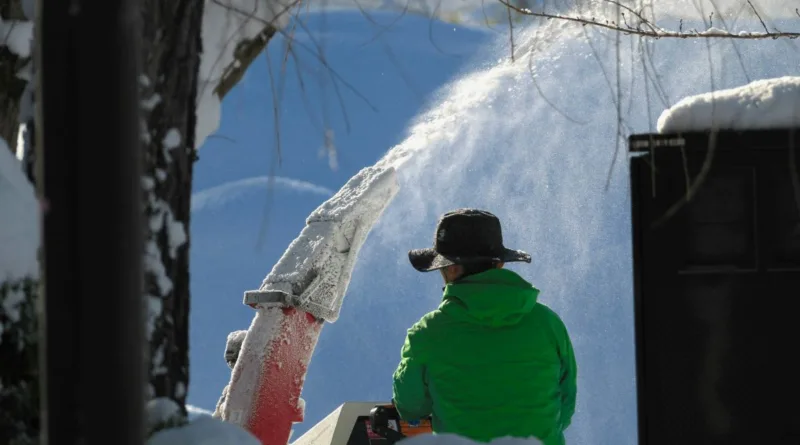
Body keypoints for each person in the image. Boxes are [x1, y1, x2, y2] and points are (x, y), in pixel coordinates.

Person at [391, 209, 577, 445]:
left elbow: (411, 409)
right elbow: (566, 404)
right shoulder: (548, 323)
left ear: (451, 268)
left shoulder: (427, 334)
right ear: (499, 264)